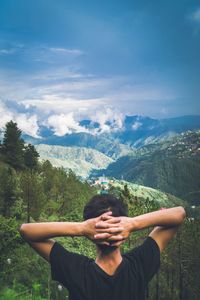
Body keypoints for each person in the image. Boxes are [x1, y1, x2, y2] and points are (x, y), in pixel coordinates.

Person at [20, 194, 186, 300]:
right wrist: (133, 224)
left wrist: (82, 228)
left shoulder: (75, 269)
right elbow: (178, 214)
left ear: (92, 235)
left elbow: (26, 231)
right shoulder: (140, 265)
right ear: (124, 229)